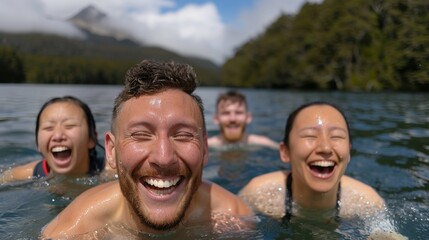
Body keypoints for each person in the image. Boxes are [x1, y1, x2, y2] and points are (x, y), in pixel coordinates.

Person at [41, 60, 253, 239]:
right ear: (111, 151)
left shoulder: (235, 219)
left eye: (183, 135)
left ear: (205, 149)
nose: (164, 157)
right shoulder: (75, 230)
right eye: (141, 135)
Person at [239, 101, 407, 239]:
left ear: (348, 152)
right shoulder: (258, 195)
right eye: (310, 136)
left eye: (336, 137)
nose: (325, 148)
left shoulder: (367, 203)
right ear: (285, 152)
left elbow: (386, 233)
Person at [0, 96, 105, 183]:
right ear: (38, 143)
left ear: (92, 139)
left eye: (69, 126)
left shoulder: (109, 172)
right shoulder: (26, 175)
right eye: (48, 128)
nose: (58, 136)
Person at [208, 90, 279, 149]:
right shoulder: (206, 146)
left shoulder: (265, 143)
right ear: (216, 119)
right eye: (226, 113)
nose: (232, 119)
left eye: (238, 113)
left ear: (248, 117)